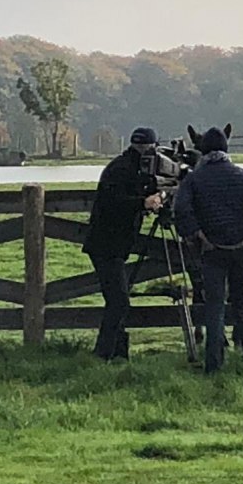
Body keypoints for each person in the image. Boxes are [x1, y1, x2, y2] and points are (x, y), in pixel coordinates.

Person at [174, 124, 243, 372]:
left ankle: (213, 363)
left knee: (214, 306)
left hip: (212, 249)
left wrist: (196, 233)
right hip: (242, 247)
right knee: (241, 302)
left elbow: (181, 209)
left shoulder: (195, 179)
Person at [82, 127, 163, 360]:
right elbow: (115, 203)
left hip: (110, 244)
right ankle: (104, 353)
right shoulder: (124, 169)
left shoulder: (124, 166)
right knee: (119, 302)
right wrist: (144, 203)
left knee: (117, 300)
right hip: (107, 245)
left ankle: (117, 352)